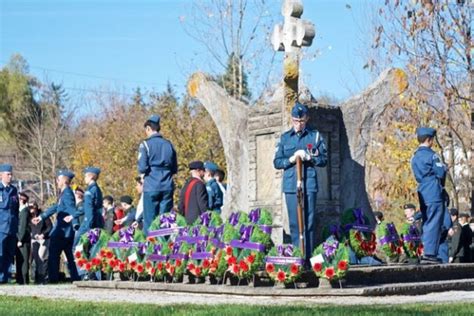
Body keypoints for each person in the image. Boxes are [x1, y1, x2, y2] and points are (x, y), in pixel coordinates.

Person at [273, 102, 328, 259]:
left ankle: (309, 258)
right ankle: (297, 258)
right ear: (292, 119)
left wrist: (310, 157)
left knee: (309, 223)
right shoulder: (285, 138)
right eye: (296, 121)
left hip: (309, 184)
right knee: (295, 223)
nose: (298, 124)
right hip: (291, 185)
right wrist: (290, 160)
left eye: (302, 121)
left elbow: (324, 160)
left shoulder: (314, 136)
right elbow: (277, 162)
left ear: (307, 119)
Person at [32, 170, 80, 283]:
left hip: (62, 231)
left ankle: (53, 279)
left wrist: (75, 221)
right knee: (69, 256)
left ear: (63, 180)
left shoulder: (67, 193)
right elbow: (56, 207)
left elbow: (72, 209)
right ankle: (75, 278)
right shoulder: (64, 193)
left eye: (58, 179)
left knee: (53, 255)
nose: (57, 181)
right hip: (65, 231)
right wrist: (42, 217)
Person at [411, 127, 448, 264]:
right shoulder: (432, 155)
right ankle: (430, 253)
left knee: (427, 220)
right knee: (434, 221)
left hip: (422, 189)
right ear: (429, 140)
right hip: (433, 189)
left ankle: (426, 250)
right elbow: (440, 172)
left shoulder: (414, 157)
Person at [137, 114, 178, 234]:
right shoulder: (169, 144)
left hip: (151, 186)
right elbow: (175, 168)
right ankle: (163, 248)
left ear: (148, 128)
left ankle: (150, 249)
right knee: (165, 222)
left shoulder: (145, 144)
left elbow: (142, 167)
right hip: (167, 185)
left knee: (150, 222)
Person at [73, 167, 104, 247]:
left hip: (90, 222)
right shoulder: (95, 189)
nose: (85, 178)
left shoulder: (91, 190)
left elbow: (90, 208)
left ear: (91, 177)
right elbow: (85, 207)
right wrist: (73, 215)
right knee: (91, 248)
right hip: (95, 221)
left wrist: (87, 225)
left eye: (86, 176)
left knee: (77, 246)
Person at [0, 164, 19, 284]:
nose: (10, 177)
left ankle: (5, 278)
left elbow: (15, 209)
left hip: (11, 227)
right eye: (8, 174)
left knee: (9, 253)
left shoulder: (14, 190)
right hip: (1, 226)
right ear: (1, 175)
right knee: (0, 253)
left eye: (11, 174)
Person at [29, 201, 52, 284]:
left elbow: (50, 226)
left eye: (32, 207)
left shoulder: (43, 215)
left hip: (43, 239)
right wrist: (32, 234)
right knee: (36, 259)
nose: (31, 209)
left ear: (36, 207)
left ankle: (44, 278)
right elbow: (28, 227)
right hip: (34, 239)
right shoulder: (29, 217)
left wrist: (43, 234)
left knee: (41, 257)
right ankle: (37, 278)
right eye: (29, 207)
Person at [15, 192, 31, 284]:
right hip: (20, 239)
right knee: (19, 260)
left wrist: (20, 239)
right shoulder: (21, 210)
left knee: (24, 261)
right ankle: (20, 280)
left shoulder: (24, 211)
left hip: (23, 240)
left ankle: (24, 280)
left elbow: (23, 227)